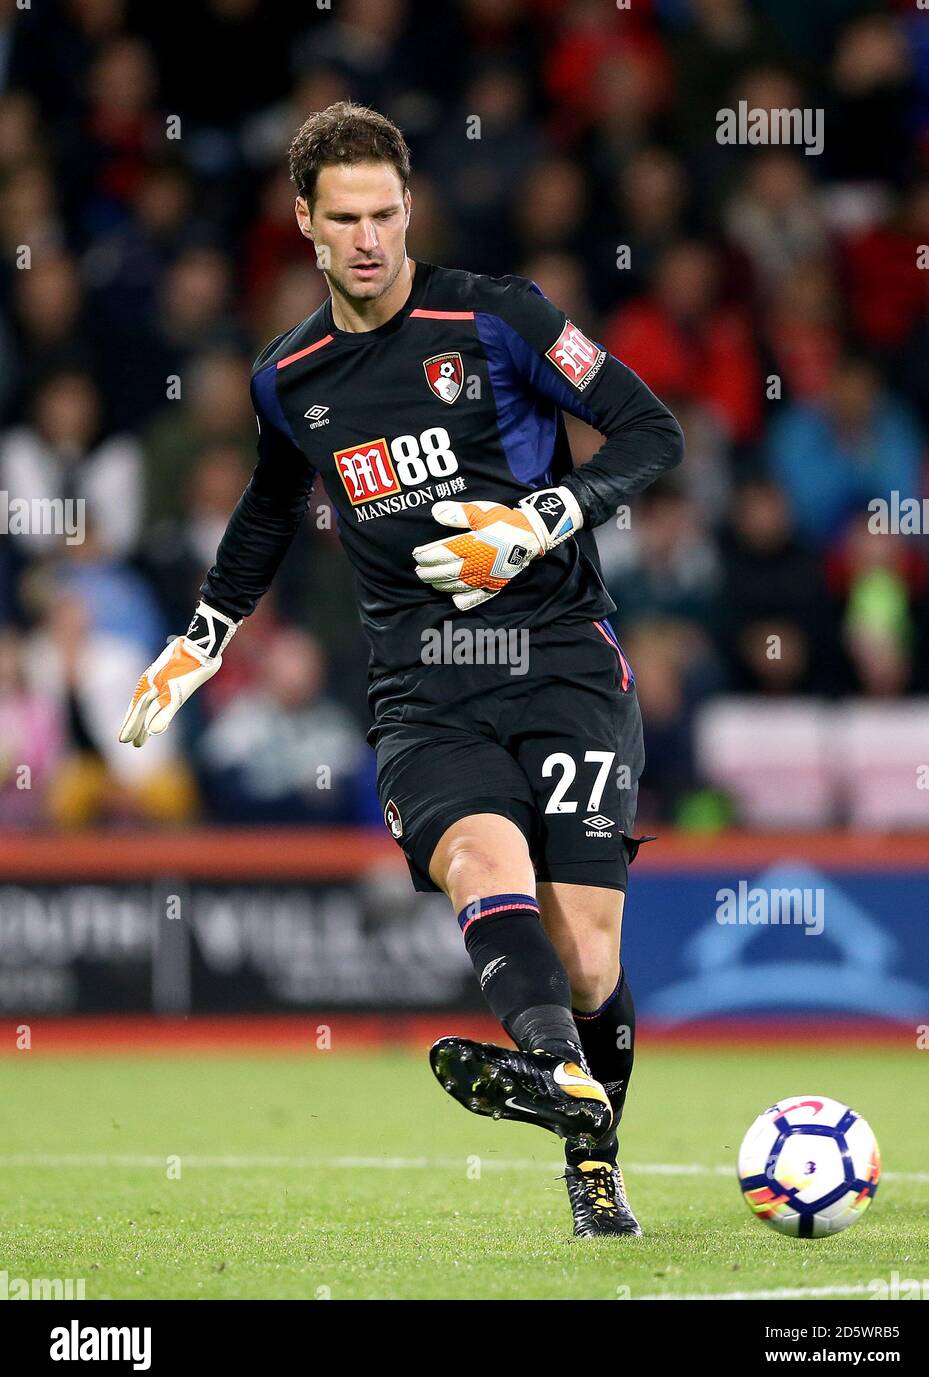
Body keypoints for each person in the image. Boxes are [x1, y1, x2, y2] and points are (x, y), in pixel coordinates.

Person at [118, 102, 683, 1237]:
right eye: (345, 219)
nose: (370, 237)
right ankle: (583, 1153)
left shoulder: (498, 316)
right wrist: (202, 638)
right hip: (422, 685)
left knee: (584, 957)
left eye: (386, 213)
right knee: (479, 857)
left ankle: (561, 1079)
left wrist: (535, 522)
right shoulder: (290, 376)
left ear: (408, 208)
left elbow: (650, 430)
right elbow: (272, 504)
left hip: (562, 657)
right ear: (305, 226)